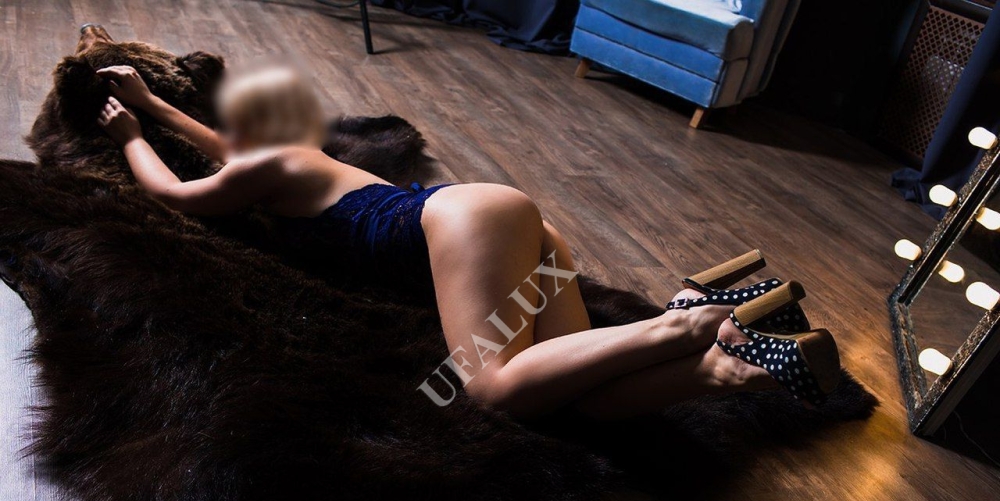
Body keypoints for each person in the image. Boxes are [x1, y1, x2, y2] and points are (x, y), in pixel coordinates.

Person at [95, 62, 840, 419]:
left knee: (485, 389)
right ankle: (726, 368)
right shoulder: (286, 158)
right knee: (567, 391)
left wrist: (130, 136)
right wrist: (152, 103)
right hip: (515, 231)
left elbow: (175, 194)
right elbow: (221, 148)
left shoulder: (262, 170)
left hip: (466, 222)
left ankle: (686, 318)